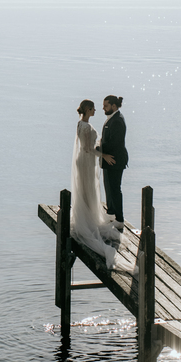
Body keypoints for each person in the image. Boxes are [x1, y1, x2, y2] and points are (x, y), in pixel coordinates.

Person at [71, 99, 120, 269]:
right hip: (86, 161)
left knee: (85, 190)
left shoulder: (80, 124)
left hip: (83, 161)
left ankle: (87, 215)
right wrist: (103, 155)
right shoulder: (85, 127)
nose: (96, 111)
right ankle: (88, 220)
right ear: (88, 109)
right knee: (88, 189)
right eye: (93, 109)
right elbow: (87, 149)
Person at [98, 95, 128, 223]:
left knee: (114, 189)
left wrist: (96, 148)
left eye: (106, 106)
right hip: (108, 160)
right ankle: (111, 213)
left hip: (114, 160)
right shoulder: (113, 118)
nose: (103, 108)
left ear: (114, 106)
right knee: (108, 188)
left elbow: (114, 142)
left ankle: (119, 219)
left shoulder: (117, 120)